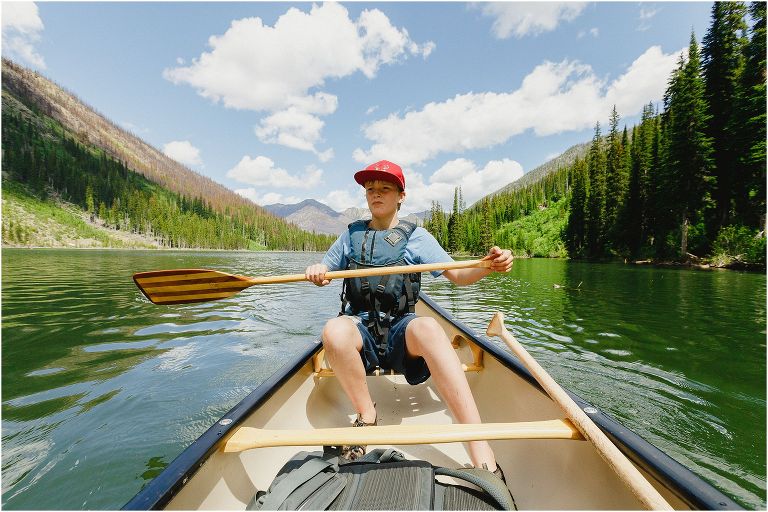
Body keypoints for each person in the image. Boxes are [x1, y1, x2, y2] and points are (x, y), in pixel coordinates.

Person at [305, 160, 513, 480]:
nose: (376, 194)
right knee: (333, 330)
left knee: (429, 326)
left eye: (385, 188)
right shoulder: (350, 236)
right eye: (370, 189)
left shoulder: (416, 238)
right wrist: (318, 272)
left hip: (401, 329)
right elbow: (325, 270)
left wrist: (487, 266)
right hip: (360, 331)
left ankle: (480, 448)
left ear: (401, 195)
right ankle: (367, 414)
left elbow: (458, 275)